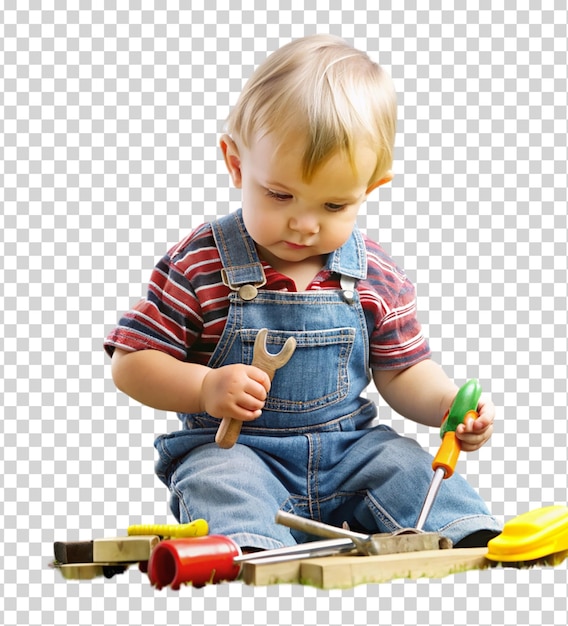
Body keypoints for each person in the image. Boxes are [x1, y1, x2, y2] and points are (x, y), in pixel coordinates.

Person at [105, 34, 501, 551]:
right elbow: (133, 363)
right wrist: (203, 387)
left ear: (371, 189)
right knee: (218, 481)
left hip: (349, 451)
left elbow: (402, 371)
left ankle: (463, 535)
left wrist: (447, 406)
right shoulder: (202, 263)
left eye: (334, 206)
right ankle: (251, 544)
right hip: (239, 449)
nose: (304, 224)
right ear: (236, 164)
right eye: (280, 194)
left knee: (404, 464)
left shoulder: (372, 272)